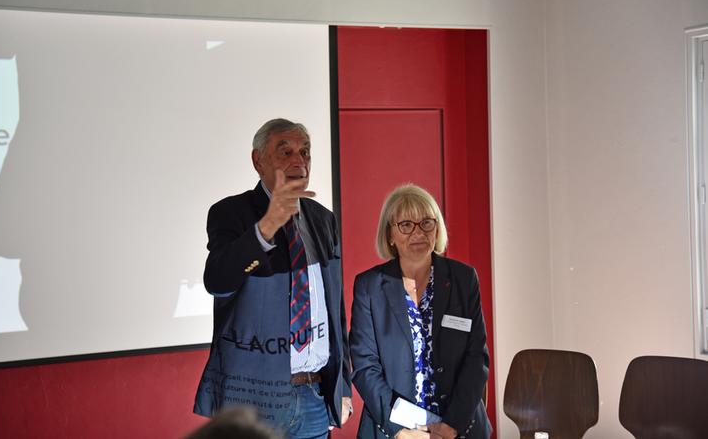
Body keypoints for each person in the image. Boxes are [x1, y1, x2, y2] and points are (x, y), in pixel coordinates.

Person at [193, 118, 352, 439]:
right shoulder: (230, 213)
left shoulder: (323, 219)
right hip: (254, 402)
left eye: (305, 152)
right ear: (258, 161)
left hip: (314, 395)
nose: (299, 160)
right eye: (286, 152)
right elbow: (219, 281)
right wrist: (267, 226)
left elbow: (334, 307)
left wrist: (342, 385)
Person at [350, 184, 492, 439]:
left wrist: (452, 426)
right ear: (390, 235)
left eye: (426, 223)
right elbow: (364, 365)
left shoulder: (463, 278)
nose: (418, 232)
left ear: (437, 228)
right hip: (394, 429)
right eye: (406, 224)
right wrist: (399, 430)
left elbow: (476, 359)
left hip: (459, 428)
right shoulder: (369, 286)